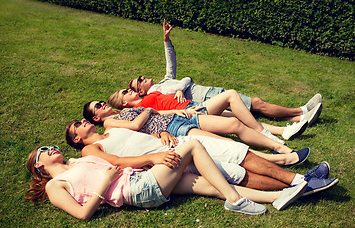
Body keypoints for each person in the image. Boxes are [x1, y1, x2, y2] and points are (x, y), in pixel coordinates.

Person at [26, 145, 310, 221]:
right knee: (193, 146)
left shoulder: (75, 162)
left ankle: (280, 197)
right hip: (136, 190)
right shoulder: (54, 186)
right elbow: (82, 214)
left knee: (208, 184)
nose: (51, 148)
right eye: (44, 151)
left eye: (51, 145)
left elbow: (119, 163)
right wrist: (106, 182)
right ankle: (235, 201)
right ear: (38, 165)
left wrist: (148, 160)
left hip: (141, 179)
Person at [125, 19, 323, 126]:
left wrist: (166, 40)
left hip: (209, 93)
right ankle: (301, 111)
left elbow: (173, 65)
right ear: (141, 91)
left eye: (140, 76)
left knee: (252, 110)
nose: (143, 78)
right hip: (207, 99)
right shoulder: (154, 96)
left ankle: (299, 120)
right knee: (256, 103)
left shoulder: (163, 82)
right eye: (139, 81)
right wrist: (181, 88)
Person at [65, 118, 338, 194]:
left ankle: (298, 180)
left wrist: (160, 135)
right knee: (236, 174)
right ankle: (301, 185)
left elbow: (140, 133)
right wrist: (153, 159)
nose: (82, 122)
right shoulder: (91, 148)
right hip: (175, 160)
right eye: (77, 125)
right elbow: (118, 163)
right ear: (77, 139)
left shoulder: (110, 129)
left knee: (239, 151)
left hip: (179, 142)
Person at [102, 91, 303, 154]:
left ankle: (280, 136)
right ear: (124, 103)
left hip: (184, 113)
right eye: (125, 92)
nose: (130, 90)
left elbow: (160, 110)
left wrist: (180, 97)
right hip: (178, 123)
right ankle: (274, 142)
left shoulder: (145, 99)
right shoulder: (117, 120)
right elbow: (140, 125)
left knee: (236, 122)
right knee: (232, 133)